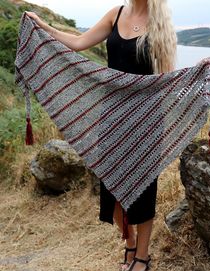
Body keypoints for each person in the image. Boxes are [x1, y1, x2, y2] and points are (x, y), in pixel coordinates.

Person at [25, 1, 177, 270]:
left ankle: (142, 257)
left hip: (144, 120)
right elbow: (78, 42)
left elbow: (164, 80)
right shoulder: (115, 14)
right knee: (112, 191)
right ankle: (129, 242)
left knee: (144, 191)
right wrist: (42, 24)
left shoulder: (160, 24)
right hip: (111, 117)